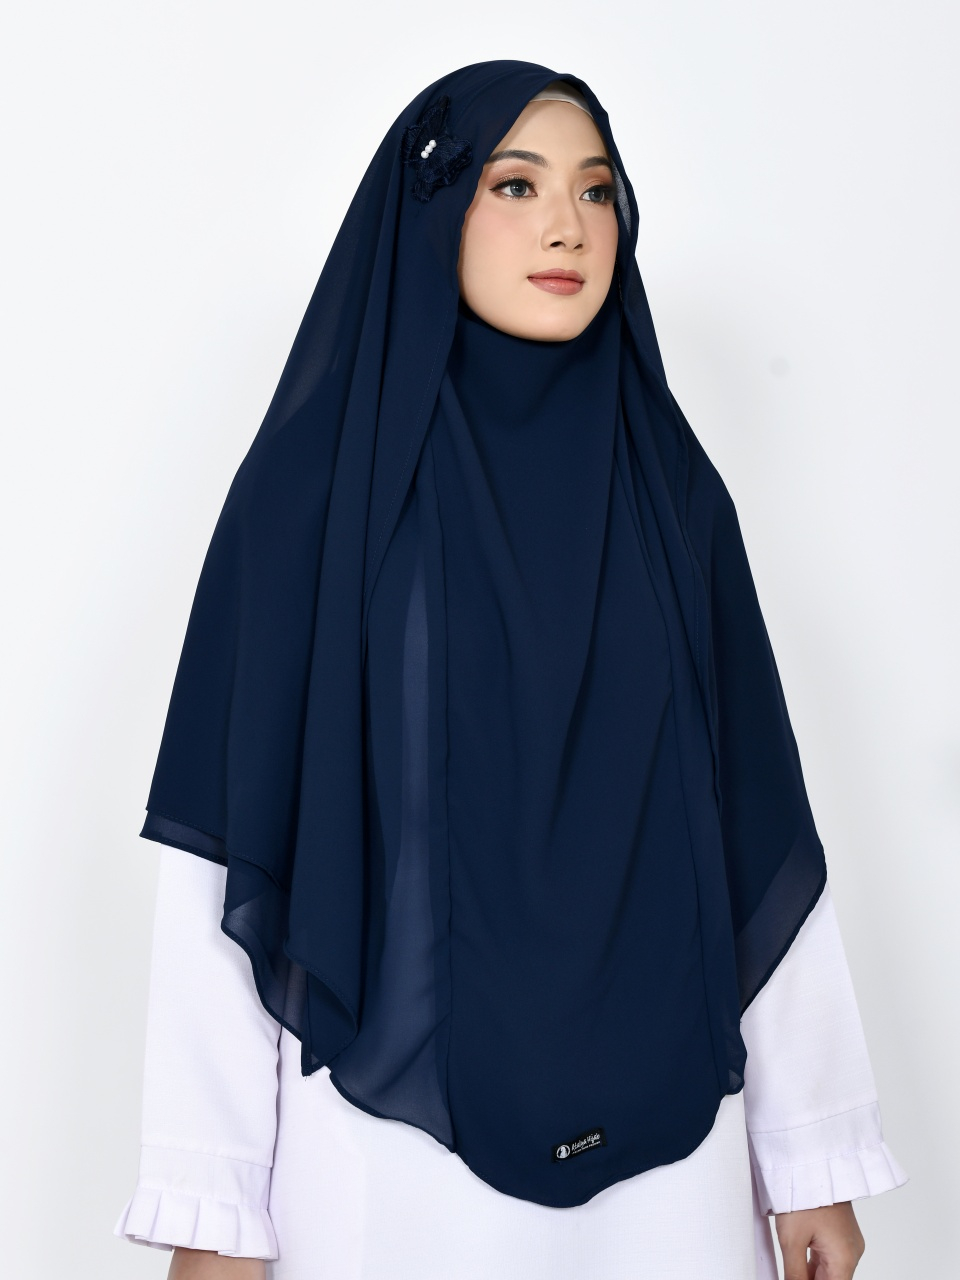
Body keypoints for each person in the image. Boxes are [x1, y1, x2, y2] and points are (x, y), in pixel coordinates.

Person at [114, 62, 908, 1279]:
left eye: (597, 191)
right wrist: (212, 1211)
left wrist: (812, 1161)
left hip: (674, 1174)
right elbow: (230, 849)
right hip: (387, 1167)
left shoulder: (672, 494)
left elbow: (754, 827)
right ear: (432, 208)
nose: (568, 227)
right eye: (518, 185)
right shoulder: (313, 497)